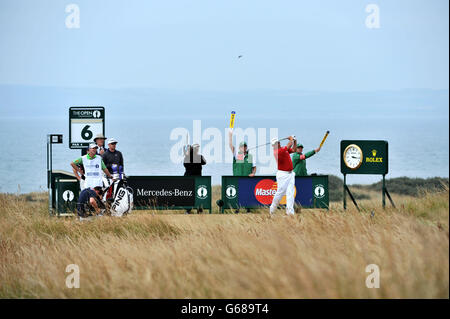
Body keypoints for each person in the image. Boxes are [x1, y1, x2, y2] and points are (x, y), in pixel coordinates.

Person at [228, 129, 256, 213]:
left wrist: (253, 173)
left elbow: (254, 167)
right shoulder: (237, 155)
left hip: (247, 178)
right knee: (238, 193)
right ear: (239, 148)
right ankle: (237, 209)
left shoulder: (250, 156)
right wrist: (230, 136)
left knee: (247, 193)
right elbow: (231, 146)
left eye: (245, 146)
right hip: (238, 177)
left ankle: (248, 209)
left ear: (246, 147)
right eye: (242, 146)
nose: (243, 148)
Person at [269, 136, 297, 216]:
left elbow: (294, 149)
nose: (277, 144)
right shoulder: (277, 152)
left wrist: (295, 141)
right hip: (282, 175)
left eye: (277, 142)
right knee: (280, 193)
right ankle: (272, 210)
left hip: (290, 174)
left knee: (290, 193)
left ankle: (290, 213)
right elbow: (288, 146)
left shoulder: (283, 149)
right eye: (275, 144)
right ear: (273, 146)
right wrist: (291, 139)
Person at [183, 144, 206, 214]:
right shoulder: (199, 157)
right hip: (198, 180)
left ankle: (188, 210)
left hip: (188, 180)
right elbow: (204, 162)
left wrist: (186, 155)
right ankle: (199, 209)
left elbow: (185, 165)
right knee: (198, 195)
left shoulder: (187, 158)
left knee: (189, 195)